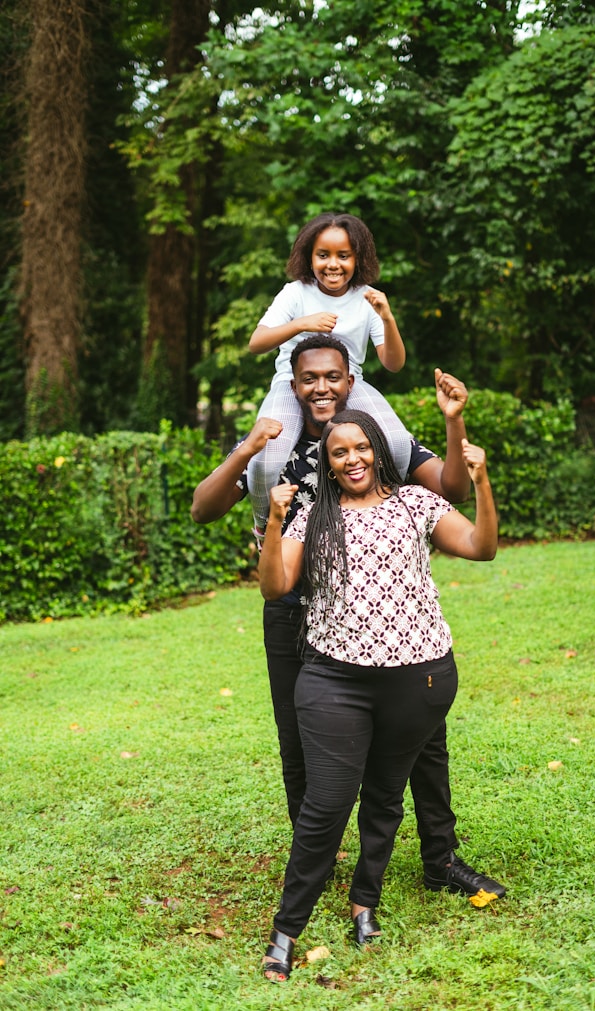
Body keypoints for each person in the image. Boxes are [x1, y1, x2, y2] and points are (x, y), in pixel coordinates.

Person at [191, 334, 506, 902]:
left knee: (426, 743)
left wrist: (455, 426)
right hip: (295, 611)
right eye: (309, 379)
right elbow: (202, 509)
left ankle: (441, 859)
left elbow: (452, 490)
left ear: (351, 381)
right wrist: (246, 450)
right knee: (300, 741)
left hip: (379, 619)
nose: (322, 388)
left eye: (333, 377)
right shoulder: (272, 442)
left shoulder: (377, 442)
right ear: (294, 386)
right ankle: (321, 857)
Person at [257, 409, 498, 980]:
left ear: (378, 452)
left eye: (361, 448)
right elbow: (274, 586)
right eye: (340, 452)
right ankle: (287, 928)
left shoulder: (417, 503)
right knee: (328, 804)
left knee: (387, 798)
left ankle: (366, 902)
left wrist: (482, 482)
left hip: (419, 678)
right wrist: (273, 519)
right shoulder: (310, 517)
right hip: (334, 678)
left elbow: (481, 546)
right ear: (328, 462)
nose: (353, 459)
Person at [247, 212, 411, 537]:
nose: (332, 264)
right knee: (266, 461)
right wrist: (301, 324)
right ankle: (264, 528)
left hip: (350, 386)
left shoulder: (367, 298)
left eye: (343, 256)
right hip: (291, 386)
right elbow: (256, 343)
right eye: (323, 255)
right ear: (310, 257)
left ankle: (388, 518)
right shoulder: (295, 293)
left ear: (357, 258)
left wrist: (387, 318)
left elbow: (393, 363)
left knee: (398, 445)